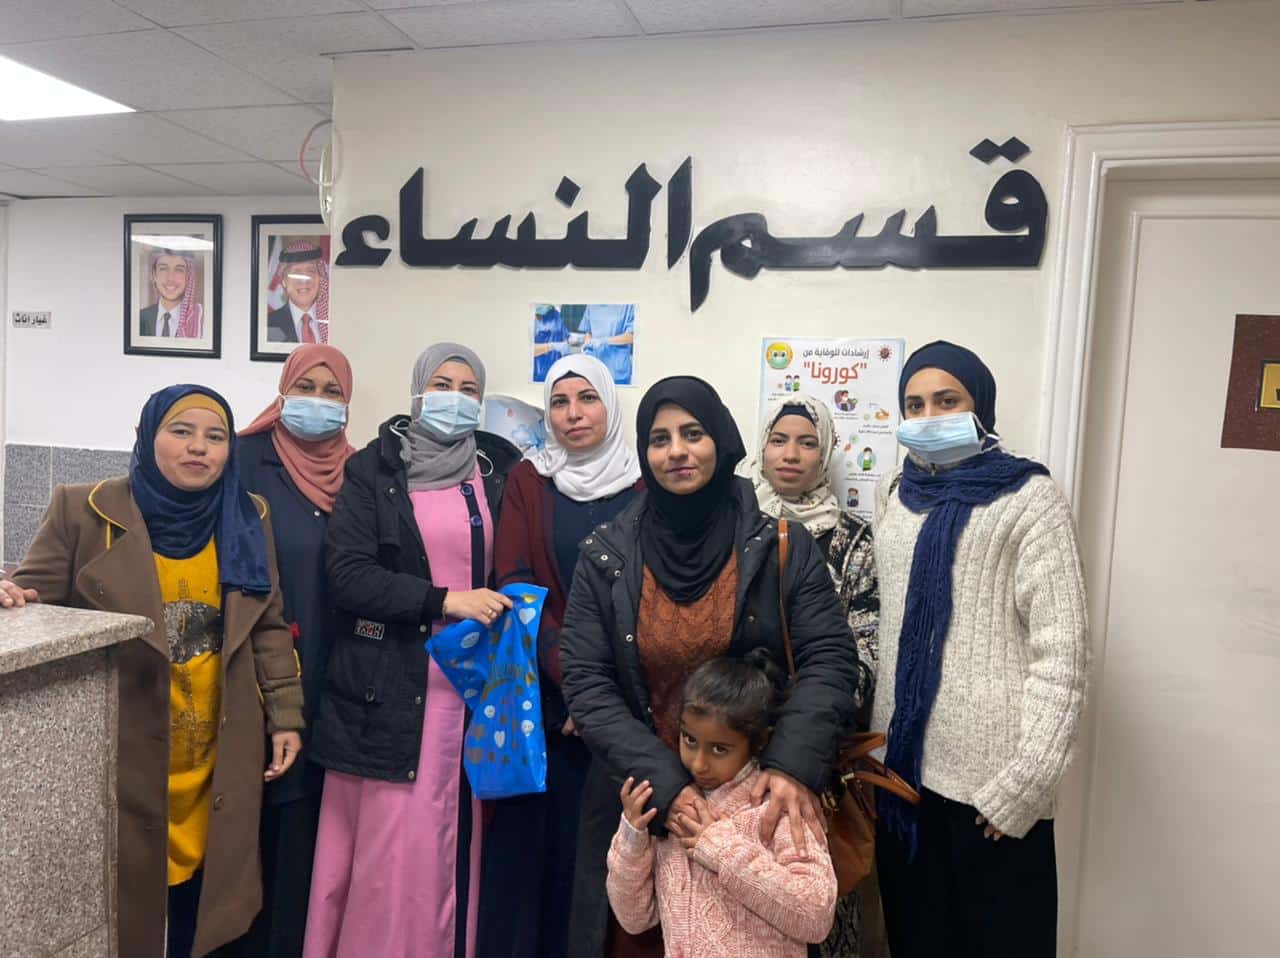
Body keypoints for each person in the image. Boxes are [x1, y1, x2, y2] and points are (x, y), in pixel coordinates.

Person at [560, 375, 859, 958]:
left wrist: (791, 764)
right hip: (645, 803)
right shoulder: (607, 554)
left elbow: (830, 658)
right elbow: (587, 681)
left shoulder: (781, 545)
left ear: (720, 440)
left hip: (755, 811)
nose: (676, 451)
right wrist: (666, 785)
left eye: (692, 433)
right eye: (659, 439)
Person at [0, 385, 304, 958]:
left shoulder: (248, 517)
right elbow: (35, 603)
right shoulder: (83, 510)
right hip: (125, 749)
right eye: (181, 431)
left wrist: (285, 715)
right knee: (128, 904)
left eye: (215, 437)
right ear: (145, 437)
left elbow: (268, 624)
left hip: (217, 749)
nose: (199, 448)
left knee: (207, 904)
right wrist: (10, 596)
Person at [304, 342, 521, 958]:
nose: (455, 398)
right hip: (394, 689)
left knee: (457, 842)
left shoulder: (497, 469)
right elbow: (348, 576)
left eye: (469, 389)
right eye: (442, 384)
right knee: (393, 852)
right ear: (419, 390)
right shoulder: (374, 470)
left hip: (473, 692)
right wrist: (444, 600)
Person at [872, 341, 1088, 958]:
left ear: (981, 406)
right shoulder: (896, 493)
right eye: (915, 405)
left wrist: (1025, 786)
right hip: (903, 783)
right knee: (914, 943)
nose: (929, 417)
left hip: (992, 797)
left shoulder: (1029, 498)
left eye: (947, 400)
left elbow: (1064, 656)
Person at [476, 354, 643, 958]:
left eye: (587, 399)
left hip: (627, 704)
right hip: (546, 706)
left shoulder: (644, 480)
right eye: (560, 402)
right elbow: (517, 584)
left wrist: (602, 696)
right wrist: (575, 686)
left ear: (610, 405)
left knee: (608, 866)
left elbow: (652, 595)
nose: (573, 414)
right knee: (537, 864)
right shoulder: (530, 480)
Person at [748, 394, 880, 957]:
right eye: (779, 440)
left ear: (824, 453)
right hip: (735, 744)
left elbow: (866, 648)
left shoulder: (852, 539)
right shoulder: (736, 526)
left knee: (816, 904)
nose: (791, 454)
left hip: (819, 750)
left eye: (806, 443)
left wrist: (809, 717)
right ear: (761, 448)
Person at [237, 345, 355, 957]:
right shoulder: (243, 460)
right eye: (305, 387)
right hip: (253, 680)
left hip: (331, 685)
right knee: (248, 838)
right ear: (283, 392)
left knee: (304, 842)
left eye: (332, 392)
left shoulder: (360, 474)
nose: (317, 401)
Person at [606, 651, 838, 956]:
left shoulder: (774, 807)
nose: (699, 763)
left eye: (719, 749)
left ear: (758, 742)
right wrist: (632, 838)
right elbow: (635, 919)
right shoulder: (671, 807)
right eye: (689, 740)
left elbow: (816, 915)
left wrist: (720, 849)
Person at [267, 242, 328, 344]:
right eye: (296, 273)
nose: (303, 280)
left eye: (310, 271)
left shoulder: (336, 320)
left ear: (320, 277)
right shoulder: (269, 324)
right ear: (284, 281)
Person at [140, 249, 203, 338]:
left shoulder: (199, 319)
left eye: (179, 270)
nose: (170, 278)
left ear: (188, 277)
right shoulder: (141, 317)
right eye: (163, 269)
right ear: (154, 275)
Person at [580, 303, 635, 385]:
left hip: (616, 369)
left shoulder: (627, 305)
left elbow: (632, 336)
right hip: (595, 366)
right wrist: (587, 345)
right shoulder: (592, 305)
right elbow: (588, 331)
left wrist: (604, 341)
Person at [532, 304, 570, 382]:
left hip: (557, 373)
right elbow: (525, 350)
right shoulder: (529, 318)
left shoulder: (555, 314)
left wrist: (573, 339)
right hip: (538, 375)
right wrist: (552, 346)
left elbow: (565, 338)